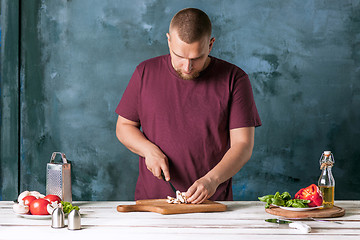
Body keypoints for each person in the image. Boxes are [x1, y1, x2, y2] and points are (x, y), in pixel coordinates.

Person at [115, 8, 261, 203]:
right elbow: (124, 127)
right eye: (179, 56)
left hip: (212, 202)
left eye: (196, 59)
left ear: (210, 45)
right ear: (169, 41)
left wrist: (212, 180)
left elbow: (243, 144)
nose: (187, 67)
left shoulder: (235, 79)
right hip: (152, 203)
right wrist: (148, 150)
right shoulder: (144, 72)